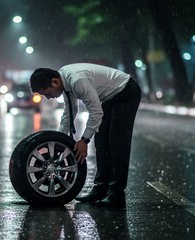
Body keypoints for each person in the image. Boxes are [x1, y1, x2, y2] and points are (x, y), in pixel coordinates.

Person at [29, 63, 141, 207]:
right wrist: (58, 140)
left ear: (54, 82)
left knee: (117, 144)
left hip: (126, 92)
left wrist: (84, 140)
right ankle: (100, 190)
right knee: (101, 143)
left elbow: (96, 112)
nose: (49, 98)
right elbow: (70, 112)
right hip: (109, 98)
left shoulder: (76, 80)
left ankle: (117, 195)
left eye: (47, 93)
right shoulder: (64, 81)